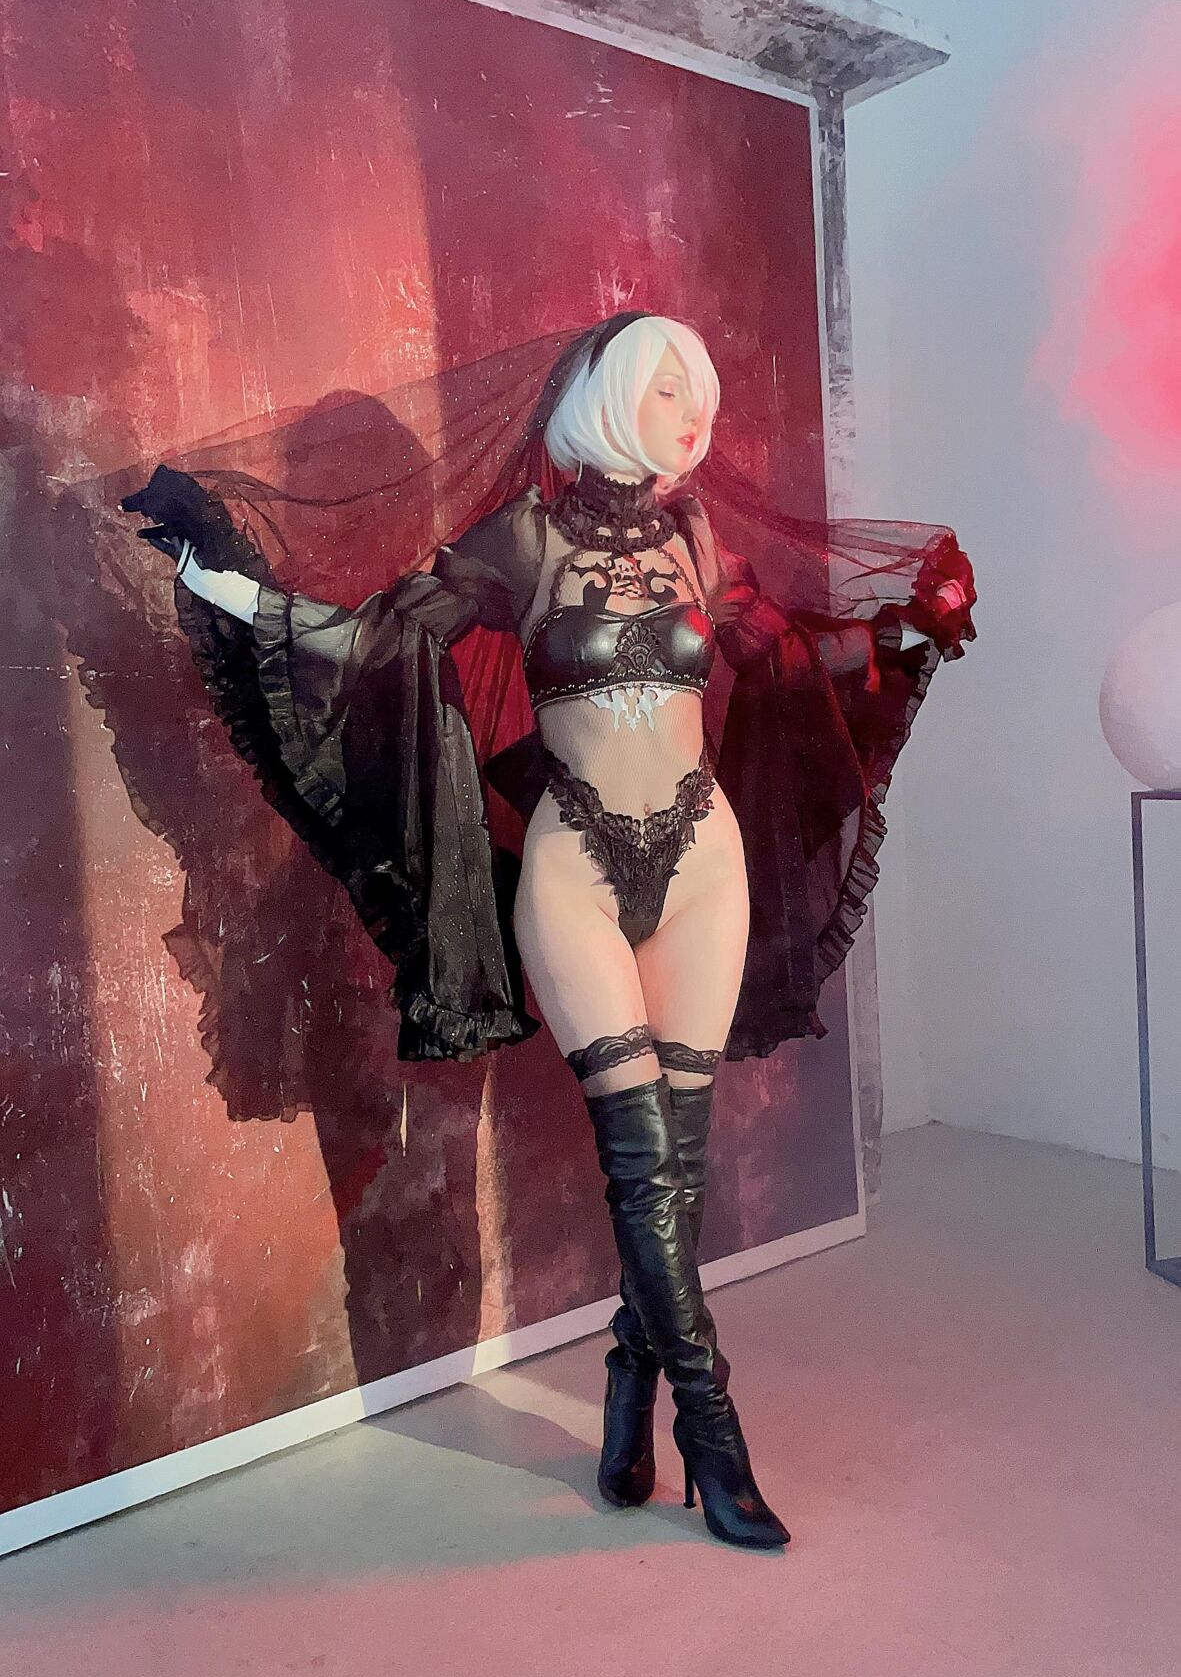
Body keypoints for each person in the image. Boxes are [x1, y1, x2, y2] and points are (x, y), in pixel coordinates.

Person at [119, 311, 976, 1552]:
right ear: (610, 395)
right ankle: (712, 1432)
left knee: (672, 1174)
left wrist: (903, 630)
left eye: (699, 395)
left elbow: (787, 654)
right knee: (640, 1162)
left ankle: (629, 1382)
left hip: (703, 864)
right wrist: (231, 585)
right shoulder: (520, 539)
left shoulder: (696, 538)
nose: (692, 416)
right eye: (667, 389)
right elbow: (373, 644)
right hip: (575, 864)